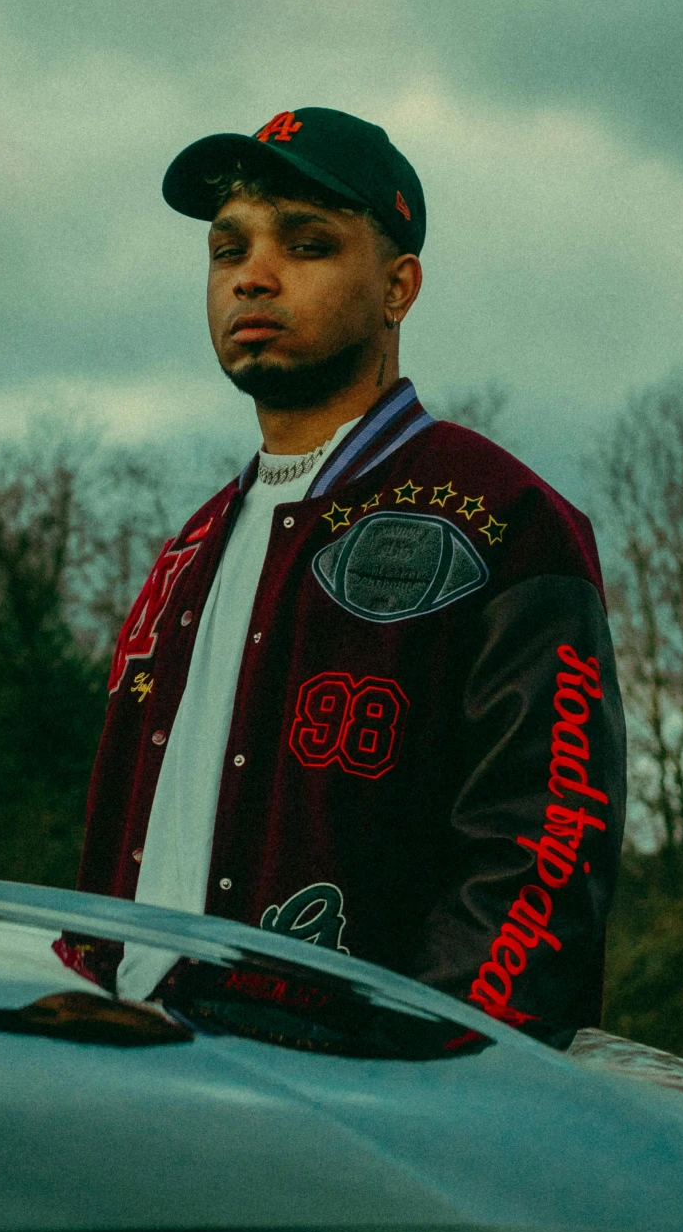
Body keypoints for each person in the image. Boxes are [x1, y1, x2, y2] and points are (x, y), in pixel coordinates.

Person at [72, 106, 625, 1044]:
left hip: (345, 1116)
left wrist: (426, 1067)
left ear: (397, 285)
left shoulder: (504, 519)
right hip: (135, 1084)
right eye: (226, 247)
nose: (252, 273)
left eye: (307, 242)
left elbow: (541, 847)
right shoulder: (188, 552)